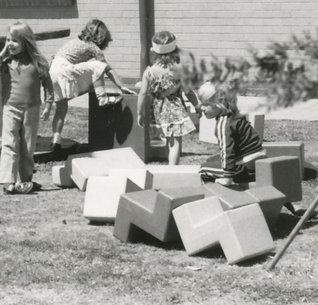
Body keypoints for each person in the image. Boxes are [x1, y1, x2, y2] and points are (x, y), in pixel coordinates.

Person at [0, 21, 54, 194]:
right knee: (9, 143)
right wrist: (2, 53)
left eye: (15, 41)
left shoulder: (38, 62)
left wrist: (48, 105)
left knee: (28, 145)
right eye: (8, 40)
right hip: (11, 108)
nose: (10, 44)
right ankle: (8, 181)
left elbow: (48, 85)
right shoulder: (8, 61)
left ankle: (26, 180)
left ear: (26, 42)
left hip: (32, 109)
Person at [48, 19, 132, 149]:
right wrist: (121, 86)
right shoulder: (92, 46)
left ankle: (55, 142)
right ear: (101, 36)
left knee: (61, 109)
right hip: (64, 69)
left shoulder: (74, 42)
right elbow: (107, 68)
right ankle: (102, 99)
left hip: (53, 72)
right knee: (98, 66)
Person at [137, 30, 198, 165]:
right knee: (175, 144)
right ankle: (173, 169)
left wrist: (139, 112)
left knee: (167, 141)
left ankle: (170, 168)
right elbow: (189, 91)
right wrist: (197, 106)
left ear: (154, 52)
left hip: (159, 111)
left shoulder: (149, 72)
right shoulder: (179, 69)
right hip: (176, 110)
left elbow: (143, 93)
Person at [195, 81, 267, 185]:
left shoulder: (224, 123)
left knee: (203, 169)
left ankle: (221, 197)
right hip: (259, 163)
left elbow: (227, 150)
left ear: (220, 104)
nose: (202, 108)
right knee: (211, 160)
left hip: (247, 168)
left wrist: (227, 177)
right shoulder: (234, 116)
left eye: (206, 105)